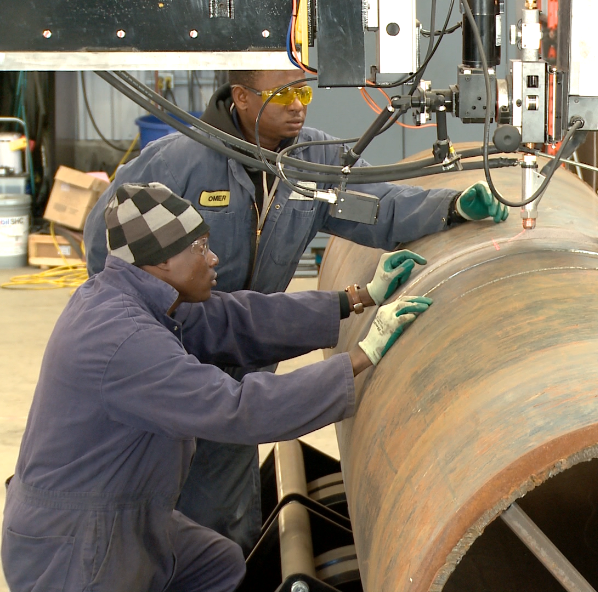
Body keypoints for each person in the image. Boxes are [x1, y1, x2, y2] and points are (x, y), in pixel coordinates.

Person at [82, 69, 507, 555]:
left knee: (221, 526)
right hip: (172, 359)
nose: (297, 105)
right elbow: (104, 246)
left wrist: (450, 207)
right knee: (148, 513)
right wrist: (158, 324)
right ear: (240, 98)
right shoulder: (179, 161)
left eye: (303, 92)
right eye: (282, 95)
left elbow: (379, 206)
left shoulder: (313, 159)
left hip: (242, 353)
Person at [3, 184, 431, 592]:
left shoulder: (135, 295)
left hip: (128, 513)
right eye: (200, 247)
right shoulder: (123, 339)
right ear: (162, 261)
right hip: (79, 542)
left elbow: (236, 319)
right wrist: (361, 355)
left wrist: (356, 297)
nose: (214, 259)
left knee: (218, 564)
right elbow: (236, 409)